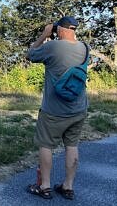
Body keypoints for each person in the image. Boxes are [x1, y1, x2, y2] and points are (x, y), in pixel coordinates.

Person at [26, 16, 89, 200]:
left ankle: (44, 186)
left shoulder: (51, 46)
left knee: (46, 145)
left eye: (55, 29)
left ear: (59, 29)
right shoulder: (85, 48)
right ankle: (68, 187)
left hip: (54, 110)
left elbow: (30, 55)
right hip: (78, 109)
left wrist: (44, 35)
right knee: (72, 145)